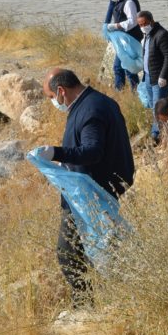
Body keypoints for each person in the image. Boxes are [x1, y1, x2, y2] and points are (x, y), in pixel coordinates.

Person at [37, 68, 134, 303]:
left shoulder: (91, 110)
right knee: (95, 248)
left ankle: (84, 305)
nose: (54, 102)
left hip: (90, 194)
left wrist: (56, 152)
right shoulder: (94, 102)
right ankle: (102, 297)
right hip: (95, 188)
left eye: (51, 97)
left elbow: (92, 151)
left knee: (68, 252)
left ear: (61, 91)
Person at [137, 10, 168, 144]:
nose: (142, 27)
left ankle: (156, 135)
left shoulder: (162, 35)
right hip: (149, 76)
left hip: (159, 78)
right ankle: (158, 129)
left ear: (151, 21)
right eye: (140, 25)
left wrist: (163, 76)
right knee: (152, 105)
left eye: (145, 24)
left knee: (158, 106)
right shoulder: (148, 35)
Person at [105, 0, 143, 91]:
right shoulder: (120, 0)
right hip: (123, 39)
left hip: (130, 39)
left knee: (128, 68)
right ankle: (119, 91)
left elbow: (133, 21)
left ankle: (135, 91)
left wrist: (116, 26)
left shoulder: (129, 1)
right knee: (118, 67)